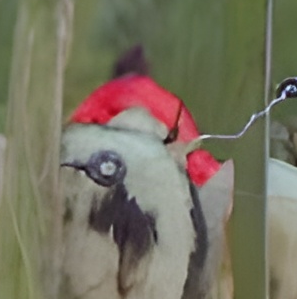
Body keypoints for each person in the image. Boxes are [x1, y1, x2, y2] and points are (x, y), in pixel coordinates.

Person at [72, 44, 222, 190]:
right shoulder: (166, 98)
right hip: (162, 168)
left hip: (115, 169)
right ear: (145, 72)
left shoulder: (107, 91)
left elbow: (78, 125)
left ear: (117, 73)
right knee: (195, 160)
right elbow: (190, 140)